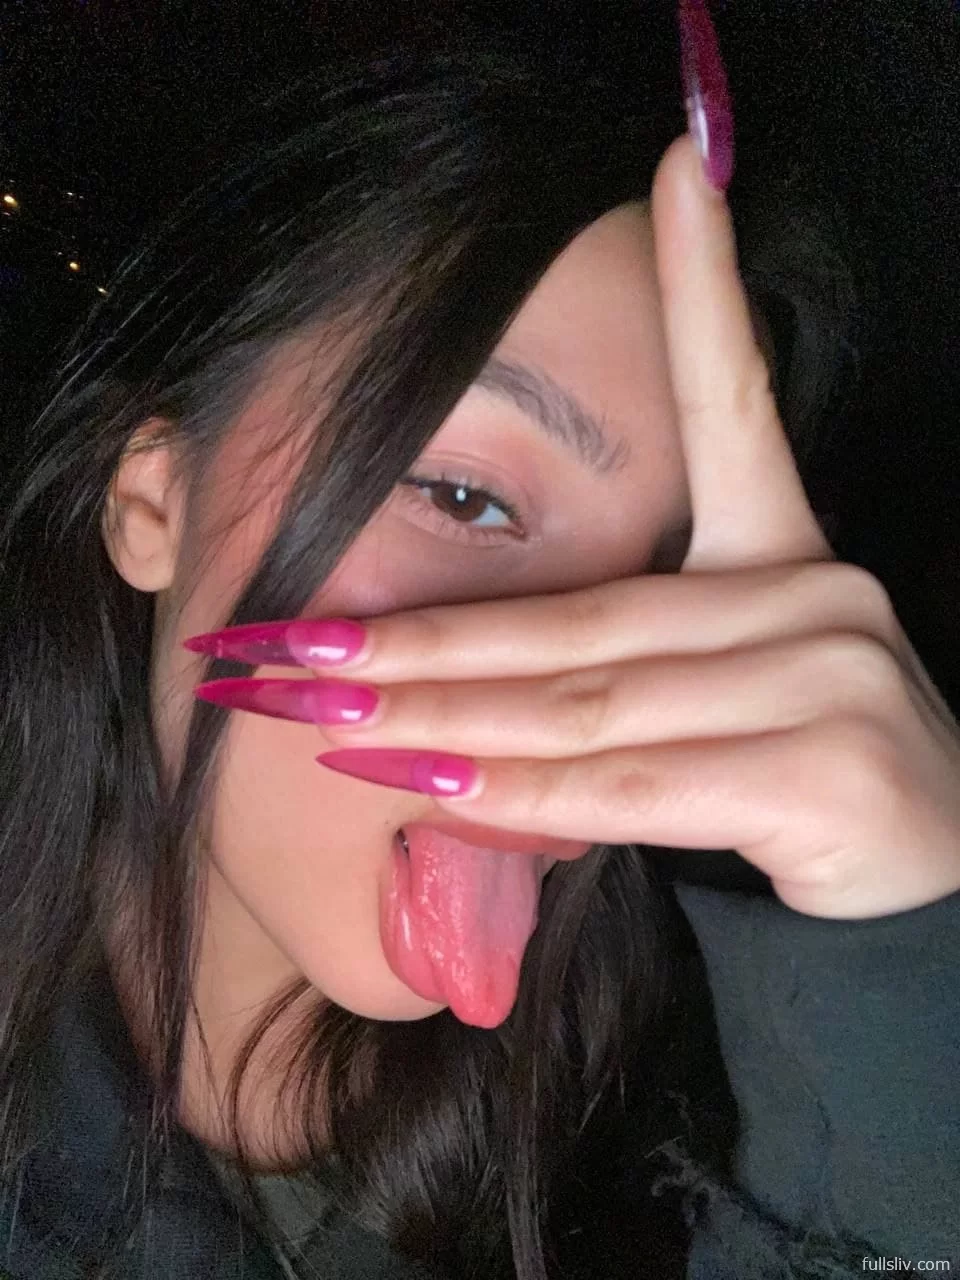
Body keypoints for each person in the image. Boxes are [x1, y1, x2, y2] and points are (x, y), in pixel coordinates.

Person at [1, 7, 958, 1279]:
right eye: (465, 497)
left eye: (665, 580)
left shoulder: (717, 1101)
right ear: (153, 502)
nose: (584, 679)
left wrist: (899, 1020)